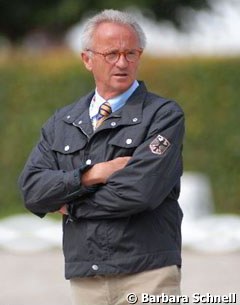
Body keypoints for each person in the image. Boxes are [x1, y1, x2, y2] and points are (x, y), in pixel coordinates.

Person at [18, 9, 185, 305]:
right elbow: (32, 190)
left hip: (148, 274)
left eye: (130, 53)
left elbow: (139, 192)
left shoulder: (163, 116)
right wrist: (92, 175)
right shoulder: (63, 121)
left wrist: (70, 204)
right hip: (86, 278)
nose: (122, 63)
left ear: (139, 56)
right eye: (111, 54)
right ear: (87, 59)